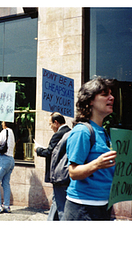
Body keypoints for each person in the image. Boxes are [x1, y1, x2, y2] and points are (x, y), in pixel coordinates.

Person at [62, 76, 117, 221]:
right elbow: (73, 172)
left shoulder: (103, 132)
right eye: (105, 94)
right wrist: (97, 164)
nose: (112, 98)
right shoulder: (82, 131)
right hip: (82, 208)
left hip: (103, 205)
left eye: (111, 94)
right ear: (90, 100)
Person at [34, 112, 71, 220]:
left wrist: (38, 149)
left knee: (61, 205)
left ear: (56, 123)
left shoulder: (58, 135)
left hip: (59, 174)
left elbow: (49, 152)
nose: (50, 127)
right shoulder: (70, 132)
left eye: (50, 124)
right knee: (57, 201)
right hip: (66, 174)